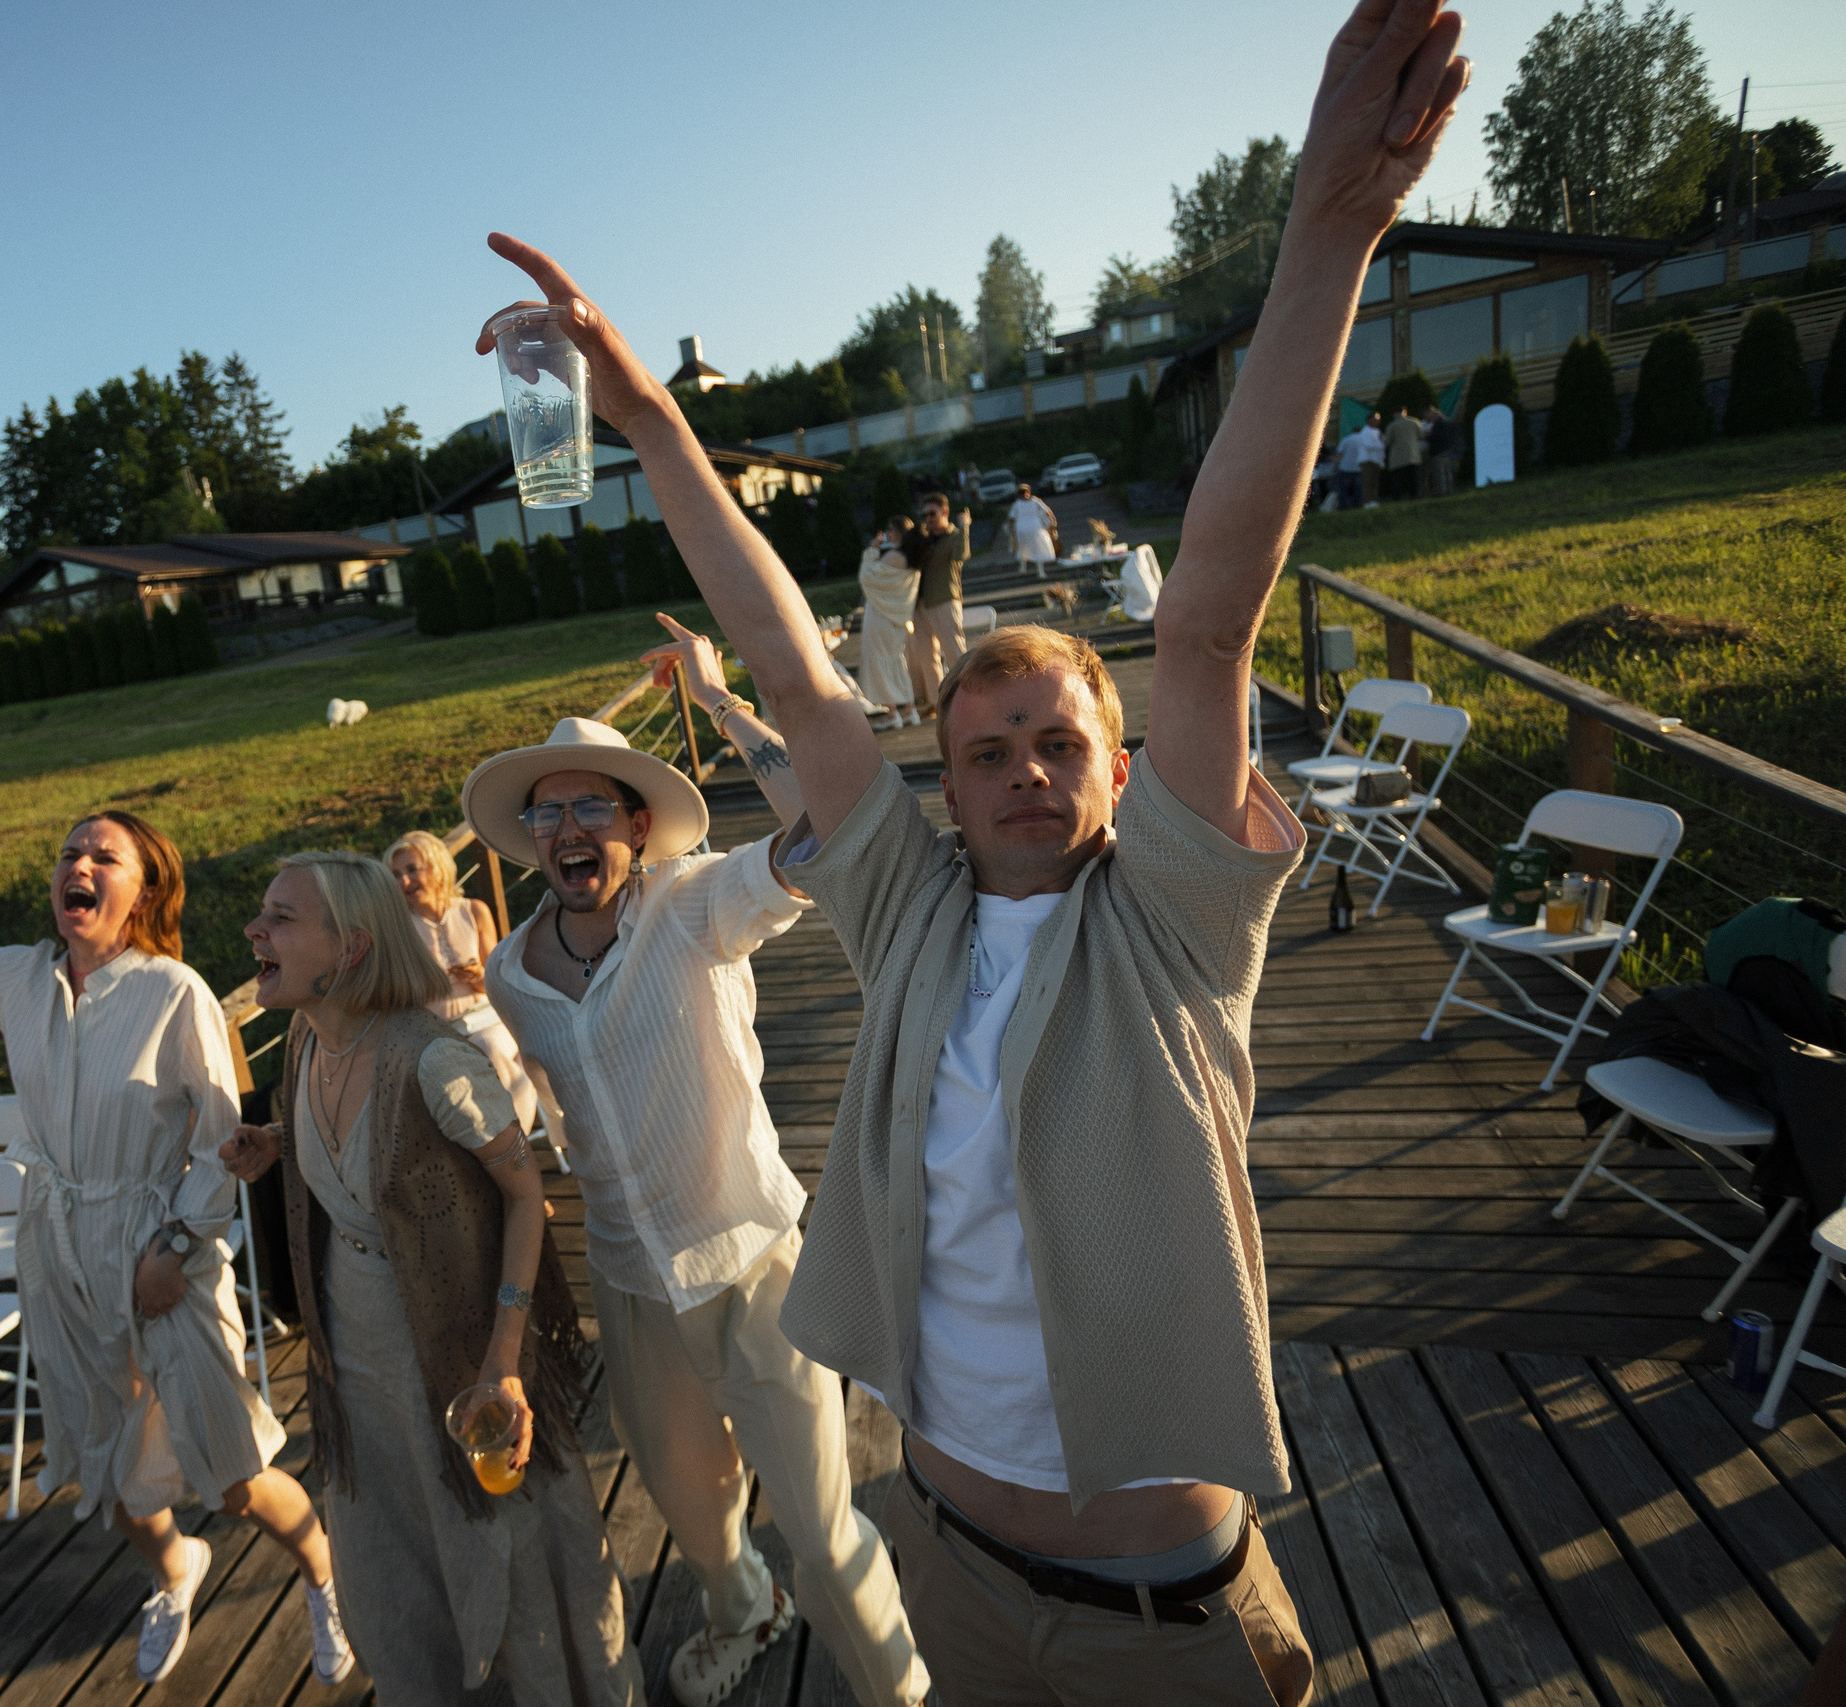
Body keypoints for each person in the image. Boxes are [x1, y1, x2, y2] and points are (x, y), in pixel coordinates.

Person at [470, 2, 1468, 1696]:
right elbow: (791, 668)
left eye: (1057, 745)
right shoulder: (913, 920)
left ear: (1120, 767)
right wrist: (648, 421)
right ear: (942, 778)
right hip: (944, 1544)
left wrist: (1330, 234)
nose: (1018, 770)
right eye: (984, 749)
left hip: (1161, 1604)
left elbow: (1214, 618)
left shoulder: (1171, 920)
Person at [452, 623, 929, 1707]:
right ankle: (740, 1608)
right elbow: (549, 1094)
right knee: (692, 1507)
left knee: (823, 1526)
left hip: (753, 1260)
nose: (567, 828)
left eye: (591, 808)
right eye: (547, 811)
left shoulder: (695, 905)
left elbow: (825, 822)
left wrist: (721, 702)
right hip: (629, 1276)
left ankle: (901, 1691)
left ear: (635, 826)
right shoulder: (508, 972)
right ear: (529, 840)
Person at [0, 740, 349, 1688]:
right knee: (104, 1470)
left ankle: (324, 1575)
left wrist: (175, 1247)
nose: (80, 865)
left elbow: (222, 1143)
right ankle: (175, 1568)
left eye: (105, 856)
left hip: (160, 1244)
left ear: (141, 891)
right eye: (70, 852)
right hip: (56, 1243)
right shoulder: (11, 975)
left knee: (231, 1472)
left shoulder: (172, 992)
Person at [220, 851, 639, 1707]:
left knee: (509, 1546)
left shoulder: (435, 1062)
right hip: (355, 1350)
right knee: (397, 1547)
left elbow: (528, 1198)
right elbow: (364, 1160)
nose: (254, 931)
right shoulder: (306, 1041)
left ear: (352, 946)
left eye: (282, 917)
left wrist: (504, 1362)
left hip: (453, 1348)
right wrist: (280, 1146)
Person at [382, 828, 544, 1136]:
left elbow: (498, 981)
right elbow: (398, 995)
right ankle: (486, 1141)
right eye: (396, 874)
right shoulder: (400, 930)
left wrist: (479, 976)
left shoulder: (473, 911)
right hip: (438, 1028)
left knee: (493, 1046)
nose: (404, 881)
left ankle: (512, 1138)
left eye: (412, 870)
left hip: (486, 1017)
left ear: (437, 867)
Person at [906, 494, 968, 719]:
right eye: (924, 515)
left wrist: (965, 527)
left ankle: (969, 698)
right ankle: (937, 703)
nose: (928, 519)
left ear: (944, 512)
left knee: (954, 651)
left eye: (932, 514)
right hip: (920, 604)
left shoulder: (954, 536)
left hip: (943, 599)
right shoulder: (923, 538)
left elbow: (962, 554)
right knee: (926, 657)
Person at [856, 519, 921, 728]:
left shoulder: (895, 556)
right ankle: (910, 711)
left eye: (891, 530)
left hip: (880, 614)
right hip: (898, 617)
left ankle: (893, 714)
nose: (887, 533)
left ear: (899, 532)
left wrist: (872, 550)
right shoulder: (913, 558)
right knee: (896, 661)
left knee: (879, 662)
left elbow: (867, 577)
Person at [1009, 481, 1058, 580]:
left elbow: (1011, 518)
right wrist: (1052, 524)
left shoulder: (1017, 504)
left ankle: (1022, 568)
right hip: (1035, 526)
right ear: (1028, 492)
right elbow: (1048, 512)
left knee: (1022, 546)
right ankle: (1040, 571)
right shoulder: (1035, 501)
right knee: (1038, 547)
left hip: (1021, 526)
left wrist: (1012, 533)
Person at [1382, 402, 1425, 501]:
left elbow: (1387, 441)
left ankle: (1397, 497)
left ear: (1394, 414)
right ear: (1405, 412)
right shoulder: (1414, 422)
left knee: (1397, 479)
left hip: (1397, 456)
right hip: (1412, 454)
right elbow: (1421, 435)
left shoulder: (1392, 426)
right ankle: (1414, 495)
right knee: (1413, 478)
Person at [1424, 403, 1460, 496]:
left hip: (1438, 452)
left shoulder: (1438, 425)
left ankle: (1442, 491)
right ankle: (1449, 490)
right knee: (1447, 472)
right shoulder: (1447, 423)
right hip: (1447, 450)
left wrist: (1427, 436)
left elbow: (1436, 437)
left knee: (1440, 473)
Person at [1352, 411, 1387, 507]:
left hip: (1376, 460)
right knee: (1368, 481)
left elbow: (1383, 442)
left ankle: (1372, 500)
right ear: (1370, 420)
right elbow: (1369, 445)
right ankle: (1367, 502)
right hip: (1367, 460)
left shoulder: (1377, 432)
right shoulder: (1365, 432)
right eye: (1376, 419)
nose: (1378, 421)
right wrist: (1381, 445)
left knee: (1373, 482)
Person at [1328, 434, 1362, 509]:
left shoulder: (1346, 440)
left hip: (1345, 468)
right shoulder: (1363, 440)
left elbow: (1339, 454)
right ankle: (1357, 505)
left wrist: (1334, 466)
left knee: (1343, 490)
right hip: (1359, 468)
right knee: (1358, 490)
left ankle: (1343, 506)